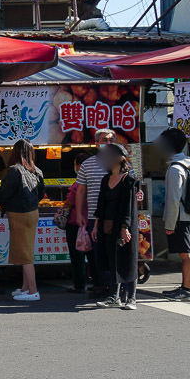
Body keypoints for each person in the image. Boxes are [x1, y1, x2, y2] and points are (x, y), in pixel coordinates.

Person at [0, 139, 45, 302]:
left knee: (25, 256)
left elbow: (4, 193)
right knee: (26, 251)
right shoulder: (37, 170)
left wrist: (2, 205)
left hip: (18, 214)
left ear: (15, 152)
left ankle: (33, 290)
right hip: (32, 212)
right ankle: (25, 287)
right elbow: (40, 193)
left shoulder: (14, 170)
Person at [93, 144, 140, 310]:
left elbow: (129, 206)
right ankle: (114, 296)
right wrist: (96, 225)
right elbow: (100, 204)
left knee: (128, 259)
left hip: (124, 225)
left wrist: (125, 226)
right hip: (107, 225)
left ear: (121, 158)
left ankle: (132, 298)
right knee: (112, 260)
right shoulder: (106, 179)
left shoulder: (129, 180)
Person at [156, 127, 190, 301]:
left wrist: (169, 225)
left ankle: (187, 290)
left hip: (180, 217)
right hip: (186, 215)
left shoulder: (175, 169)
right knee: (186, 252)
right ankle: (185, 288)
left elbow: (174, 199)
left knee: (186, 253)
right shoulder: (185, 164)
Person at [75, 128, 116, 297]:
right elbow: (81, 190)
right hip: (93, 216)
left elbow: (132, 188)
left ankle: (115, 286)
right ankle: (102, 285)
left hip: (115, 216)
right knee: (98, 253)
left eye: (110, 140)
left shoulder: (122, 162)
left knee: (114, 251)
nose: (107, 143)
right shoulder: (88, 164)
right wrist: (79, 214)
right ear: (96, 143)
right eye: (104, 140)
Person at [63, 153, 88, 293]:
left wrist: (63, 208)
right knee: (89, 255)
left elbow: (69, 202)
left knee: (77, 255)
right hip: (89, 221)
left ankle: (79, 284)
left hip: (75, 222)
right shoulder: (95, 180)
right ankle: (96, 282)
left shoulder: (78, 183)